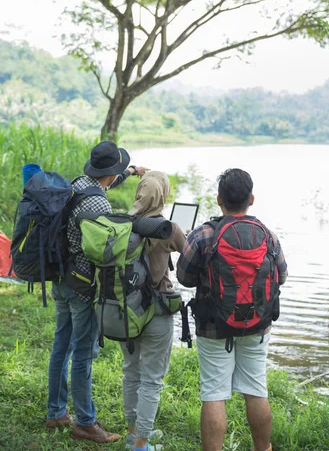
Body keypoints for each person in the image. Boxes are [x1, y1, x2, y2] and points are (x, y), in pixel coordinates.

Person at [177, 168, 288, 451]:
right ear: (251, 199)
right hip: (257, 324)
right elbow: (282, 277)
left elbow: (184, 278)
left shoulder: (204, 235)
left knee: (214, 393)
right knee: (256, 389)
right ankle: (263, 449)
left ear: (219, 199)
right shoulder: (268, 236)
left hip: (214, 326)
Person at [46, 141, 147, 444]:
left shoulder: (78, 184)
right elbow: (105, 249)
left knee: (61, 344)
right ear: (110, 171)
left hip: (61, 277)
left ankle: (56, 413)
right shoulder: (99, 205)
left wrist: (132, 172)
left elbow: (107, 181)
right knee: (82, 353)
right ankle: (85, 423)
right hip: (81, 285)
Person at [122, 171, 186, 451]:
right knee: (151, 380)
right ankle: (141, 445)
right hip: (157, 310)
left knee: (131, 373)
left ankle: (133, 432)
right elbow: (192, 254)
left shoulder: (120, 224)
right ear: (163, 195)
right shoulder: (167, 227)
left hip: (125, 310)